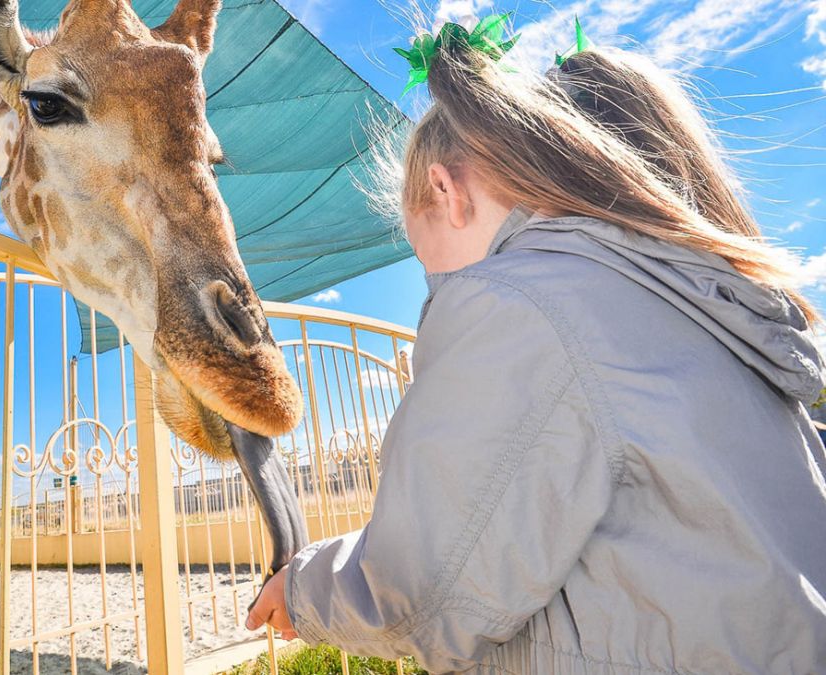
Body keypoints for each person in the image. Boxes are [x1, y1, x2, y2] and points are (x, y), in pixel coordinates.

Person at [244, 30, 826, 675]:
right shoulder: (693, 304)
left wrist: (305, 590)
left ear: (446, 191)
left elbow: (426, 590)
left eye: (425, 256)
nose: (434, 284)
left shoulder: (519, 300)